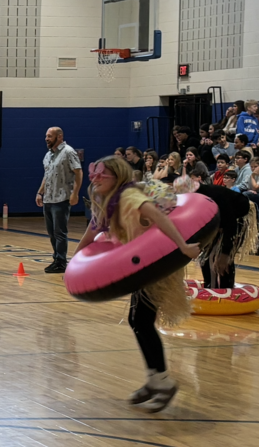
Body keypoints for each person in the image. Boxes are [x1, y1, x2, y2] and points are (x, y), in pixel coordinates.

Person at [75, 156, 199, 412]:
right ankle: (155, 379)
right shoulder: (104, 201)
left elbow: (159, 217)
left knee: (141, 321)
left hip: (155, 265)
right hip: (138, 265)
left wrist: (183, 246)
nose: (95, 178)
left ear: (116, 177)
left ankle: (162, 382)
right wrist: (75, 260)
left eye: (101, 175)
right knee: (138, 321)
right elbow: (93, 229)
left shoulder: (129, 197)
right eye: (94, 174)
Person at [174, 171, 257, 290]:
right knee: (206, 259)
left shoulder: (214, 196)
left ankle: (225, 289)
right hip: (218, 221)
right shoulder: (192, 200)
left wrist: (225, 253)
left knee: (219, 259)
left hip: (238, 217)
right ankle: (210, 288)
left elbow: (230, 224)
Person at [36, 127, 83, 273]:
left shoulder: (68, 152)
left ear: (59, 137)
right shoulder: (48, 155)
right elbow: (47, 175)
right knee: (51, 232)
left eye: (50, 136)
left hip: (62, 198)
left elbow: (78, 172)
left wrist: (75, 193)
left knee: (59, 232)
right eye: (46, 136)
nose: (47, 138)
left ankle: (61, 261)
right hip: (49, 198)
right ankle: (56, 257)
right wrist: (40, 192)